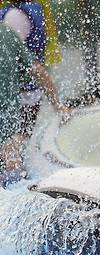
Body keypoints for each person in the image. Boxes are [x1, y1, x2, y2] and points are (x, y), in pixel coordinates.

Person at [0, 23, 67, 187]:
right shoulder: (6, 33)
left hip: (8, 130)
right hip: (8, 132)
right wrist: (58, 106)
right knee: (14, 176)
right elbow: (38, 71)